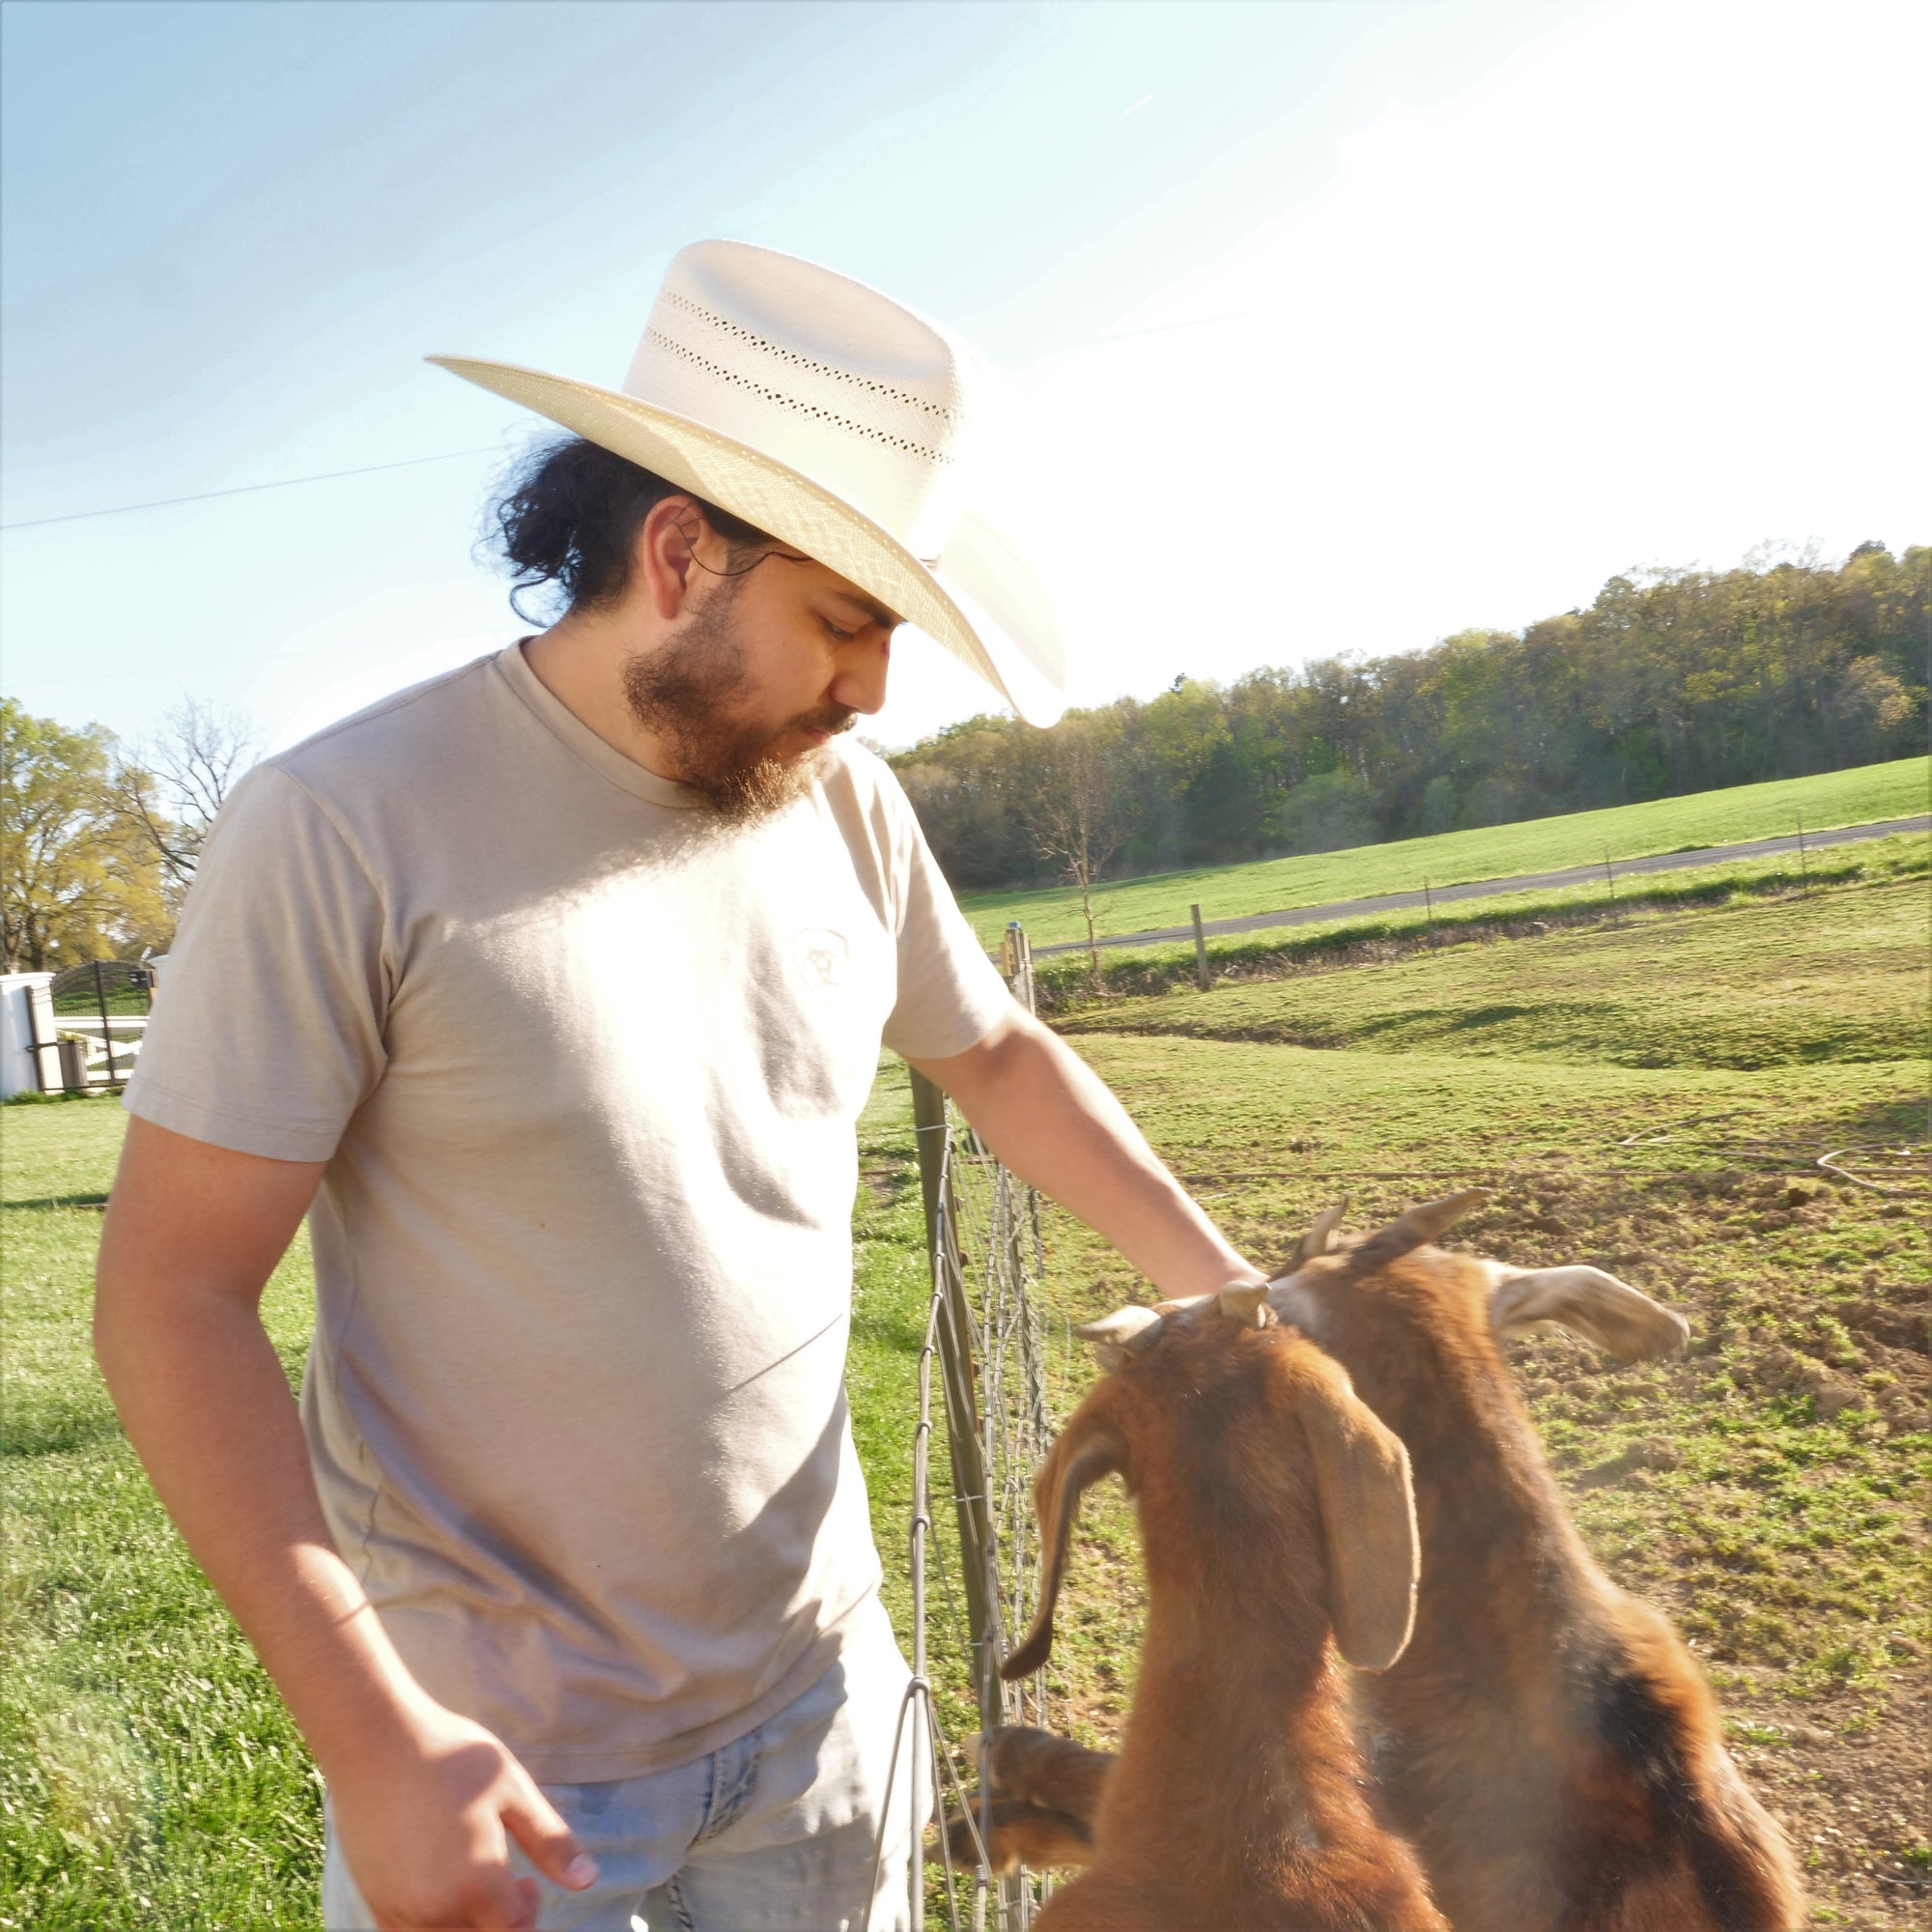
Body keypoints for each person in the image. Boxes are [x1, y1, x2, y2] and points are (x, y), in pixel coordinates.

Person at [94, 241, 1266, 1932]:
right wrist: (369, 1738)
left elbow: (994, 1054)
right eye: (846, 621)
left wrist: (1223, 1292)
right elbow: (172, 1294)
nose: (872, 687)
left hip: (827, 1715)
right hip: (509, 1775)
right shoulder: (343, 825)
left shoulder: (844, 805)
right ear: (677, 551)